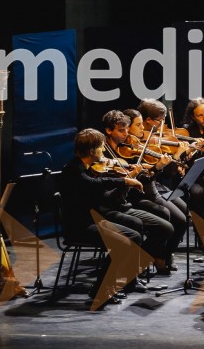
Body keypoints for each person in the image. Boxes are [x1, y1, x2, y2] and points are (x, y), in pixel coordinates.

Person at [60, 128, 144, 305]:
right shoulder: (74, 170)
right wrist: (125, 180)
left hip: (91, 220)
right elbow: (93, 183)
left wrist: (123, 183)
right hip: (79, 226)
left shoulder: (85, 167)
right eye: (101, 147)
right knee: (124, 242)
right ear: (92, 151)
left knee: (134, 236)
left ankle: (119, 282)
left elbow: (98, 190)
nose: (104, 150)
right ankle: (100, 290)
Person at [103, 110, 186, 274]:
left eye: (126, 130)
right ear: (108, 130)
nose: (126, 134)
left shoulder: (128, 148)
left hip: (137, 193)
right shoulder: (105, 153)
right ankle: (152, 258)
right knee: (164, 215)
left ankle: (157, 255)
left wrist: (157, 167)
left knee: (180, 216)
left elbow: (145, 176)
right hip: (128, 198)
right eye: (121, 130)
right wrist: (147, 171)